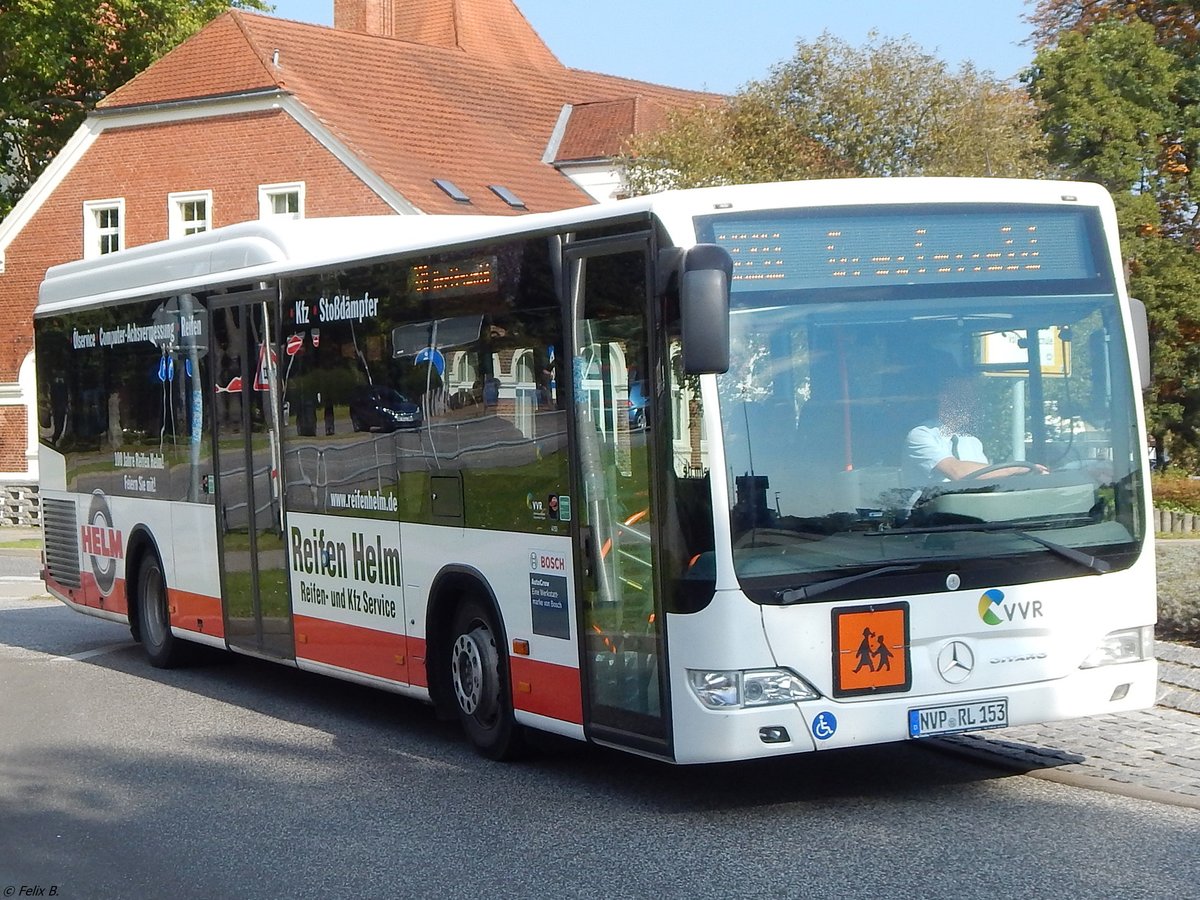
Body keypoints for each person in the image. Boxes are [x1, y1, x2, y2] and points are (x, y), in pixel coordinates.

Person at [902, 351, 1045, 484]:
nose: (969, 404)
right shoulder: (921, 435)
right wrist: (1016, 469)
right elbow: (957, 473)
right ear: (943, 398)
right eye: (961, 396)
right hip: (928, 510)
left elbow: (985, 482)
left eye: (971, 397)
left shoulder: (972, 443)